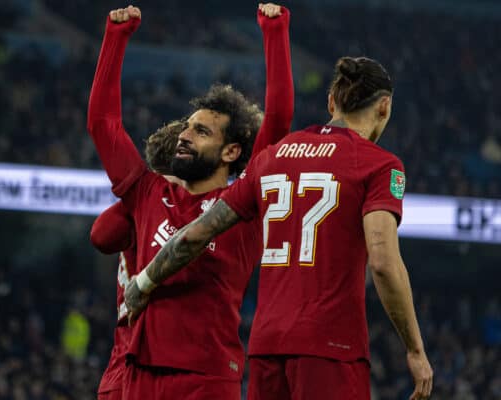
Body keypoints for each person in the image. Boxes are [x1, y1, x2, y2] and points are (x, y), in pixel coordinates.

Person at [125, 57, 434, 400]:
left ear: (331, 101)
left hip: (265, 348)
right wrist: (415, 349)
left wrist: (143, 282)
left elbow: (196, 233)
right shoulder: (381, 165)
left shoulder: (273, 156)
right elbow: (383, 263)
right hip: (330, 347)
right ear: (385, 106)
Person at [87, 3, 293, 399]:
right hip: (137, 373)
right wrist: (116, 38)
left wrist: (274, 31)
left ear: (232, 151)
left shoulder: (242, 203)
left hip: (207, 378)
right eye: (186, 127)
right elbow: (103, 125)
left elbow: (279, 119)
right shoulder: (149, 192)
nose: (184, 135)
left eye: (201, 132)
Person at [90, 121, 183, 400]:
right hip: (145, 368)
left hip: (128, 367)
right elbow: (101, 235)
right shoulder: (158, 206)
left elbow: (101, 235)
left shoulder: (145, 208)